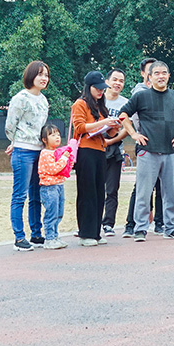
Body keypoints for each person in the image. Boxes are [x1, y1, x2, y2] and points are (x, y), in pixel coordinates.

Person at [119, 60, 174, 241]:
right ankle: (140, 228)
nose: (161, 76)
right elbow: (123, 115)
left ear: (168, 76)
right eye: (157, 73)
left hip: (169, 151)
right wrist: (134, 134)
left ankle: (170, 227)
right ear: (149, 77)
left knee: (169, 192)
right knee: (144, 192)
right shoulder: (141, 96)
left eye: (164, 73)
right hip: (147, 151)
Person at [5, 60, 50, 251]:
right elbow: (10, 125)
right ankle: (19, 237)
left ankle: (36, 233)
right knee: (20, 195)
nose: (44, 78)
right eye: (40, 74)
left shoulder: (44, 100)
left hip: (39, 150)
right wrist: (15, 142)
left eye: (46, 75)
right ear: (31, 76)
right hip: (23, 151)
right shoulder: (20, 98)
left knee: (36, 195)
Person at [72, 71, 120, 245]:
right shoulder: (80, 104)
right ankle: (85, 233)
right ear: (88, 87)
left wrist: (114, 125)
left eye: (102, 89)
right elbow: (80, 127)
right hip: (85, 151)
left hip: (100, 150)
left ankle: (95, 232)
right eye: (97, 88)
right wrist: (103, 122)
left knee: (100, 191)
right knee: (87, 192)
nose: (100, 92)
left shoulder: (101, 106)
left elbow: (109, 132)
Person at [121, 58, 164, 237]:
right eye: (151, 71)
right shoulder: (139, 93)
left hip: (163, 145)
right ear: (144, 74)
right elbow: (126, 116)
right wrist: (134, 134)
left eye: (159, 71)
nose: (156, 74)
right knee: (142, 186)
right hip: (145, 143)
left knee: (162, 186)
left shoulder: (165, 92)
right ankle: (131, 225)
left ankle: (161, 223)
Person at [101, 69, 129, 236]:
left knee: (112, 189)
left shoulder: (126, 103)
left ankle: (108, 223)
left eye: (121, 81)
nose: (118, 83)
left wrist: (111, 141)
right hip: (96, 150)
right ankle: (91, 223)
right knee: (93, 188)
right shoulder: (97, 100)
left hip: (115, 151)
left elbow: (127, 128)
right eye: (115, 80)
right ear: (107, 81)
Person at [37, 124, 74, 250]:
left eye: (58, 134)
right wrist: (64, 159)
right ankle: (49, 238)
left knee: (59, 213)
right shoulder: (45, 153)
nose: (57, 137)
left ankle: (55, 235)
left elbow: (63, 168)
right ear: (44, 139)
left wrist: (68, 160)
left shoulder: (57, 152)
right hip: (49, 188)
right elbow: (54, 169)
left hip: (58, 186)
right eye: (52, 135)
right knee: (51, 213)